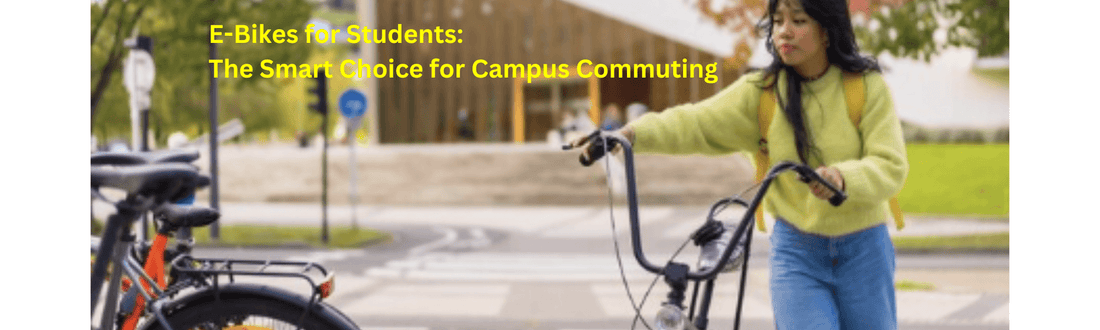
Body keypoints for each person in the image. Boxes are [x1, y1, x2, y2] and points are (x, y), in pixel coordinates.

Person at [569, 0, 907, 329]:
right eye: (777, 21)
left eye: (799, 21)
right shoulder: (762, 93)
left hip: (864, 251)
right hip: (797, 251)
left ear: (827, 31)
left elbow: (890, 165)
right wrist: (629, 134)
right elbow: (696, 122)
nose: (784, 32)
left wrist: (842, 178)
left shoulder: (864, 87)